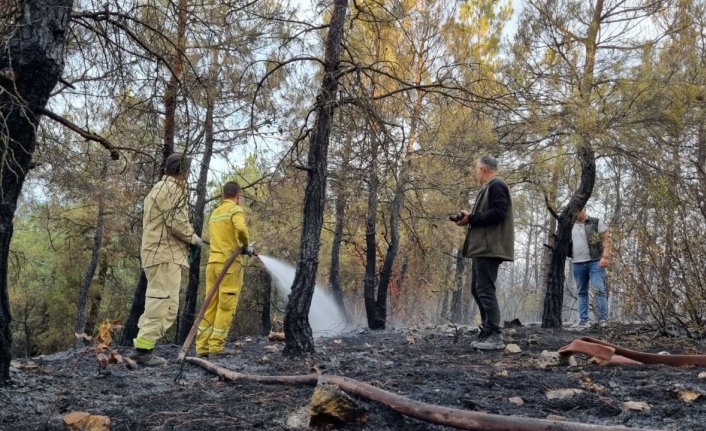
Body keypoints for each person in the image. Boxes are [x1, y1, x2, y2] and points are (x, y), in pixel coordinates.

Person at [131, 153, 203, 367]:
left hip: (161, 254)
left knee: (163, 302)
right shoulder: (173, 189)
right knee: (163, 304)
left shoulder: (159, 189)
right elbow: (177, 222)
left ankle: (144, 349)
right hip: (165, 255)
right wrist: (195, 240)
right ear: (186, 172)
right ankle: (143, 352)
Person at [453, 156, 514, 351]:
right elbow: (492, 212)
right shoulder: (490, 187)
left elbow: (499, 212)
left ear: (482, 168)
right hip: (483, 247)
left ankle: (494, 334)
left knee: (485, 290)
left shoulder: (496, 185)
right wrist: (470, 218)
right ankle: (487, 331)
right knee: (477, 289)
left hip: (489, 247)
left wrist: (473, 217)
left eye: (476, 169)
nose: (475, 172)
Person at [195, 181, 254, 357]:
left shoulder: (215, 213)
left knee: (210, 305)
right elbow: (242, 229)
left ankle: (201, 347)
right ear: (238, 196)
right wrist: (245, 246)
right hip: (228, 266)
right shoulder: (235, 209)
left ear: (222, 196)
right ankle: (216, 346)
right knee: (226, 306)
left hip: (212, 264)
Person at [569, 207, 611, 328]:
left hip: (595, 261)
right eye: (574, 210)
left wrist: (605, 257)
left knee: (599, 289)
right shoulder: (569, 224)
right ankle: (583, 321)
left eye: (579, 209)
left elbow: (606, 239)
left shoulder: (595, 222)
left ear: (585, 209)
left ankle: (602, 320)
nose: (576, 212)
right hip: (577, 263)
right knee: (581, 292)